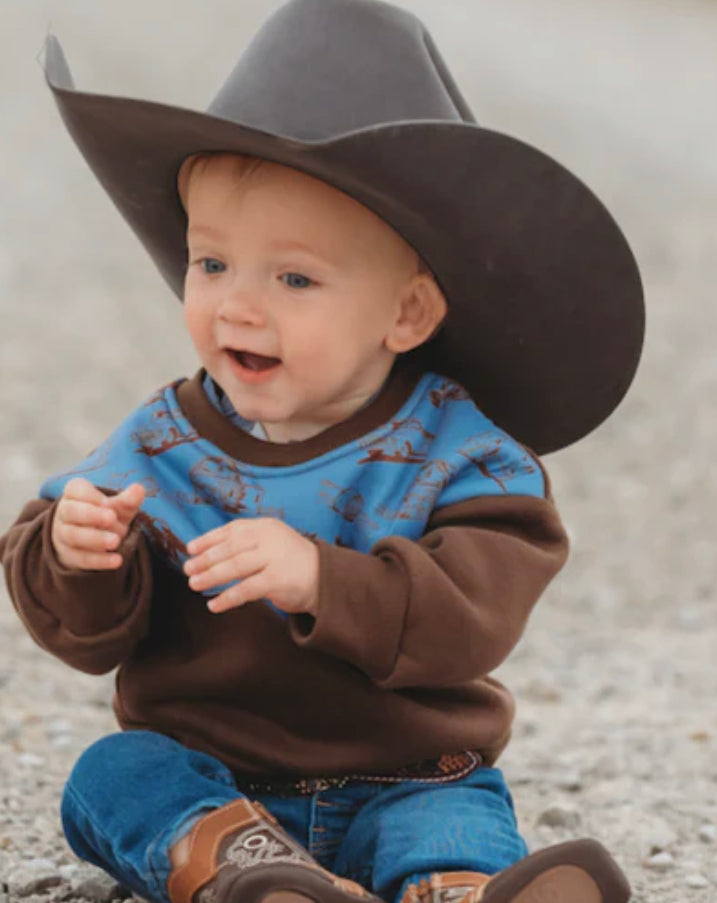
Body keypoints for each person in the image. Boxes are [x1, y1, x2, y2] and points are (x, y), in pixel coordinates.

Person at [0, 1, 644, 902]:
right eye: (211, 263)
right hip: (213, 772)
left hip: (409, 768)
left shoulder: (461, 458)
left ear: (407, 313)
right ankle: (251, 870)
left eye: (294, 278)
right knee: (115, 775)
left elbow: (474, 617)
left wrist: (322, 578)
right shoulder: (162, 440)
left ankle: (457, 887)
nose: (237, 306)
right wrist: (76, 551)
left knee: (454, 812)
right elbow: (86, 632)